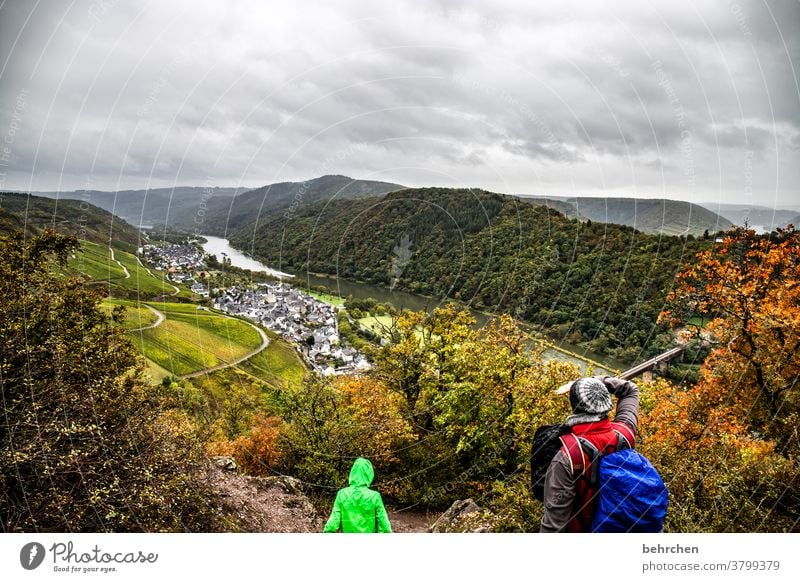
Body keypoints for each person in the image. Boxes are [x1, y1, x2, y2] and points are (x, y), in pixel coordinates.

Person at [540, 375, 639, 532]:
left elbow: (553, 527)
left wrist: (581, 385)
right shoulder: (625, 433)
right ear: (606, 403)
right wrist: (597, 382)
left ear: (574, 407)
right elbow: (630, 390)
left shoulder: (568, 456)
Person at [323, 457, 392, 533]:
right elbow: (384, 525)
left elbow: (333, 522)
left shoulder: (342, 494)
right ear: (369, 474)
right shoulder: (375, 496)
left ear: (353, 472)